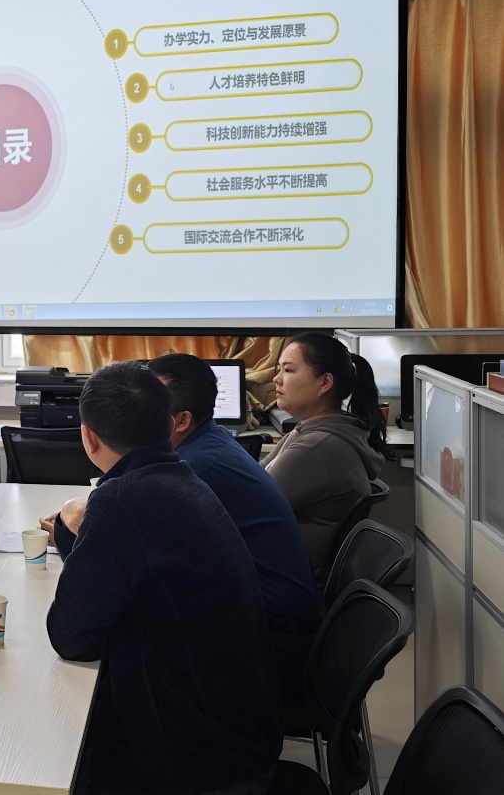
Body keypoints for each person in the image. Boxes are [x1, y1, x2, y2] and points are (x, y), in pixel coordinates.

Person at [46, 361, 281, 795]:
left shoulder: (123, 499)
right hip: (239, 732)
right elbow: (109, 583)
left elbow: (71, 635)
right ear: (169, 425)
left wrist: (65, 525)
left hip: (196, 763)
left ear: (89, 437)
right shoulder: (184, 477)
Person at [145, 352, 320, 705]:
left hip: (272, 636)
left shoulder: (197, 467)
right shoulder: (211, 441)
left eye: (146, 408)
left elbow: (140, 549)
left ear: (182, 420)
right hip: (269, 614)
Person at [263, 332, 388, 582]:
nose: (276, 378)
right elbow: (258, 475)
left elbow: (249, 504)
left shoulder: (317, 447)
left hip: (283, 583)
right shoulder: (312, 430)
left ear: (325, 383)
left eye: (288, 370)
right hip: (281, 571)